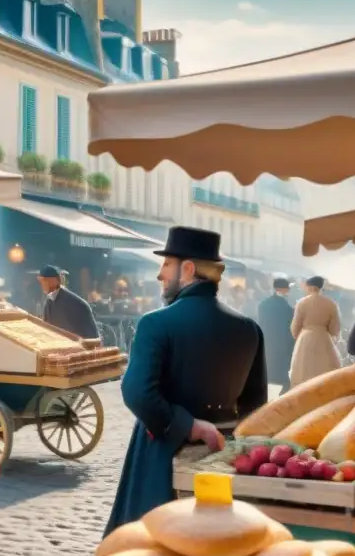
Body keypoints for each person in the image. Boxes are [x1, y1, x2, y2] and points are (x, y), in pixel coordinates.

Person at [104, 227, 267, 536]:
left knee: (148, 550)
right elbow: (256, 406)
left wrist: (188, 425)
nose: (160, 274)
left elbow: (137, 392)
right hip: (221, 461)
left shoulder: (156, 323)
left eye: (166, 264)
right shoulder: (250, 329)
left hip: (161, 456)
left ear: (188, 269)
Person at [290, 276, 342, 385]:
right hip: (324, 338)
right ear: (321, 287)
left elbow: (295, 328)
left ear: (309, 287)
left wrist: (298, 336)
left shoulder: (302, 303)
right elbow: (335, 329)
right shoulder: (331, 304)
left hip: (305, 339)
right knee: (324, 372)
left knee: (303, 373)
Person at [38, 264, 100, 339]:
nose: (42, 284)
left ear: (54, 280)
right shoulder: (49, 301)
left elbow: (93, 337)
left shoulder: (76, 303)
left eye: (44, 280)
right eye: (41, 281)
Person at [257, 277, 295, 392]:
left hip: (267, 343)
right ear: (285, 289)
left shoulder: (263, 305)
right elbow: (290, 329)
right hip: (282, 345)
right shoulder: (288, 309)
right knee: (282, 375)